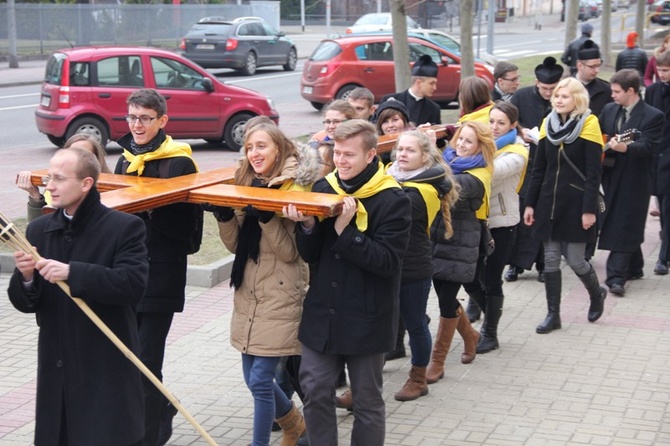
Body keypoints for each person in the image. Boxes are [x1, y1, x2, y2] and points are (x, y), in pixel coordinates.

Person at [8, 147, 149, 446]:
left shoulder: (124, 227)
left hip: (104, 366)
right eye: (49, 177)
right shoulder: (39, 230)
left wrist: (73, 273)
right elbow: (25, 302)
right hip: (57, 366)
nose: (50, 186)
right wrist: (27, 277)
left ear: (86, 183)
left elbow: (132, 285)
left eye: (59, 179)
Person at [284, 119, 411, 446]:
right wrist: (309, 225)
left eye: (349, 155)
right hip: (322, 314)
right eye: (337, 153)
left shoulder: (393, 199)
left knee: (367, 400)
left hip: (367, 316)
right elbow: (311, 255)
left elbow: (387, 263)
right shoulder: (325, 188)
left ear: (371, 155)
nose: (340, 161)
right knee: (314, 389)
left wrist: (345, 230)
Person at [212, 116, 319, 446]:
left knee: (260, 379)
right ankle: (295, 426)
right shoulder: (245, 180)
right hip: (249, 290)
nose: (254, 153)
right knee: (252, 378)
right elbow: (236, 246)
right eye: (249, 147)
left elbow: (291, 254)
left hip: (282, 291)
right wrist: (226, 216)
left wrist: (269, 217)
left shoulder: (294, 186)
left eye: (261, 146)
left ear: (279, 147)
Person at [114, 88, 201, 446]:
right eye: (132, 117)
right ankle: (161, 407)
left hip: (160, 278)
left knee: (145, 362)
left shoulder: (179, 163)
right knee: (127, 360)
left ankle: (147, 437)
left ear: (162, 121)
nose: (136, 125)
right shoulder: (124, 159)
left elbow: (190, 237)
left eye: (145, 118)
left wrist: (151, 206)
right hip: (125, 277)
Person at [523, 77, 607, 335]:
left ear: (577, 100)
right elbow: (538, 169)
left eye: (565, 96)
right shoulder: (548, 124)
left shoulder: (590, 125)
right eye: (557, 95)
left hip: (577, 203)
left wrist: (589, 210)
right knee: (550, 259)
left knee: (576, 260)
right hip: (549, 203)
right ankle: (553, 315)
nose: (558, 100)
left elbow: (594, 174)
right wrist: (530, 204)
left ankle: (596, 294)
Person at [385, 129, 456, 400]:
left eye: (410, 150)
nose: (402, 154)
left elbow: (391, 205)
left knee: (415, 323)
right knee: (380, 321)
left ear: (425, 156)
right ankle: (362, 383)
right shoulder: (390, 176)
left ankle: (417, 379)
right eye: (400, 149)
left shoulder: (424, 190)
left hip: (412, 267)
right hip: (387, 264)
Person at [427, 121, 495, 384]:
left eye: (469, 141)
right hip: (439, 239)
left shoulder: (478, 175)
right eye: (460, 139)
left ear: (481, 147)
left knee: (446, 300)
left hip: (463, 244)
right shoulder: (451, 159)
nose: (461, 145)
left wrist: (428, 150)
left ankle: (437, 361)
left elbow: (445, 184)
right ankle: (471, 337)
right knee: (445, 296)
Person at [465, 102, 529, 351]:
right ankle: (489, 313)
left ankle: (490, 333)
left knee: (491, 279)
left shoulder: (518, 151)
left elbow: (492, 171)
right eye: (491, 122)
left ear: (513, 125)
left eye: (501, 123)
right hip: (477, 220)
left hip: (502, 222)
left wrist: (464, 152)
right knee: (469, 278)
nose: (494, 128)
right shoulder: (481, 146)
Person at [598, 69, 664, 295]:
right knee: (619, 220)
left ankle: (615, 276)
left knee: (625, 222)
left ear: (631, 91)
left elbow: (650, 147)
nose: (612, 95)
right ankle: (634, 266)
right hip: (610, 175)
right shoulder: (608, 110)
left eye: (617, 92)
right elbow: (600, 137)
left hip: (635, 178)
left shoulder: (653, 116)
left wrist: (625, 147)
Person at [506, 56, 563, 283]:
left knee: (544, 214)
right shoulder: (521, 97)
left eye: (552, 89)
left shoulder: (562, 100)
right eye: (544, 88)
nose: (548, 93)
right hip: (526, 162)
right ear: (537, 84)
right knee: (520, 213)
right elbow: (511, 121)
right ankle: (514, 264)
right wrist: (523, 133)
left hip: (551, 164)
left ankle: (542, 264)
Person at [16, 133, 111, 222]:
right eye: (73, 154)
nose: (78, 159)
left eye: (84, 154)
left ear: (97, 159)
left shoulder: (112, 188)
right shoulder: (54, 188)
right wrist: (35, 196)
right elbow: (43, 229)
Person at [645, 51, 670, 276]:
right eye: (660, 70)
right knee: (662, 206)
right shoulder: (652, 91)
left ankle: (663, 258)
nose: (662, 74)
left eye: (666, 70)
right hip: (657, 156)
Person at [380, 54, 441, 127]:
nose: (435, 88)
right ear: (418, 83)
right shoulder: (389, 100)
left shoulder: (434, 108)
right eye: (431, 83)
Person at [575, 40, 612, 117]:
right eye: (592, 66)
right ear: (579, 65)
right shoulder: (565, 88)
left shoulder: (607, 89)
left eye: (598, 66)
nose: (597, 70)